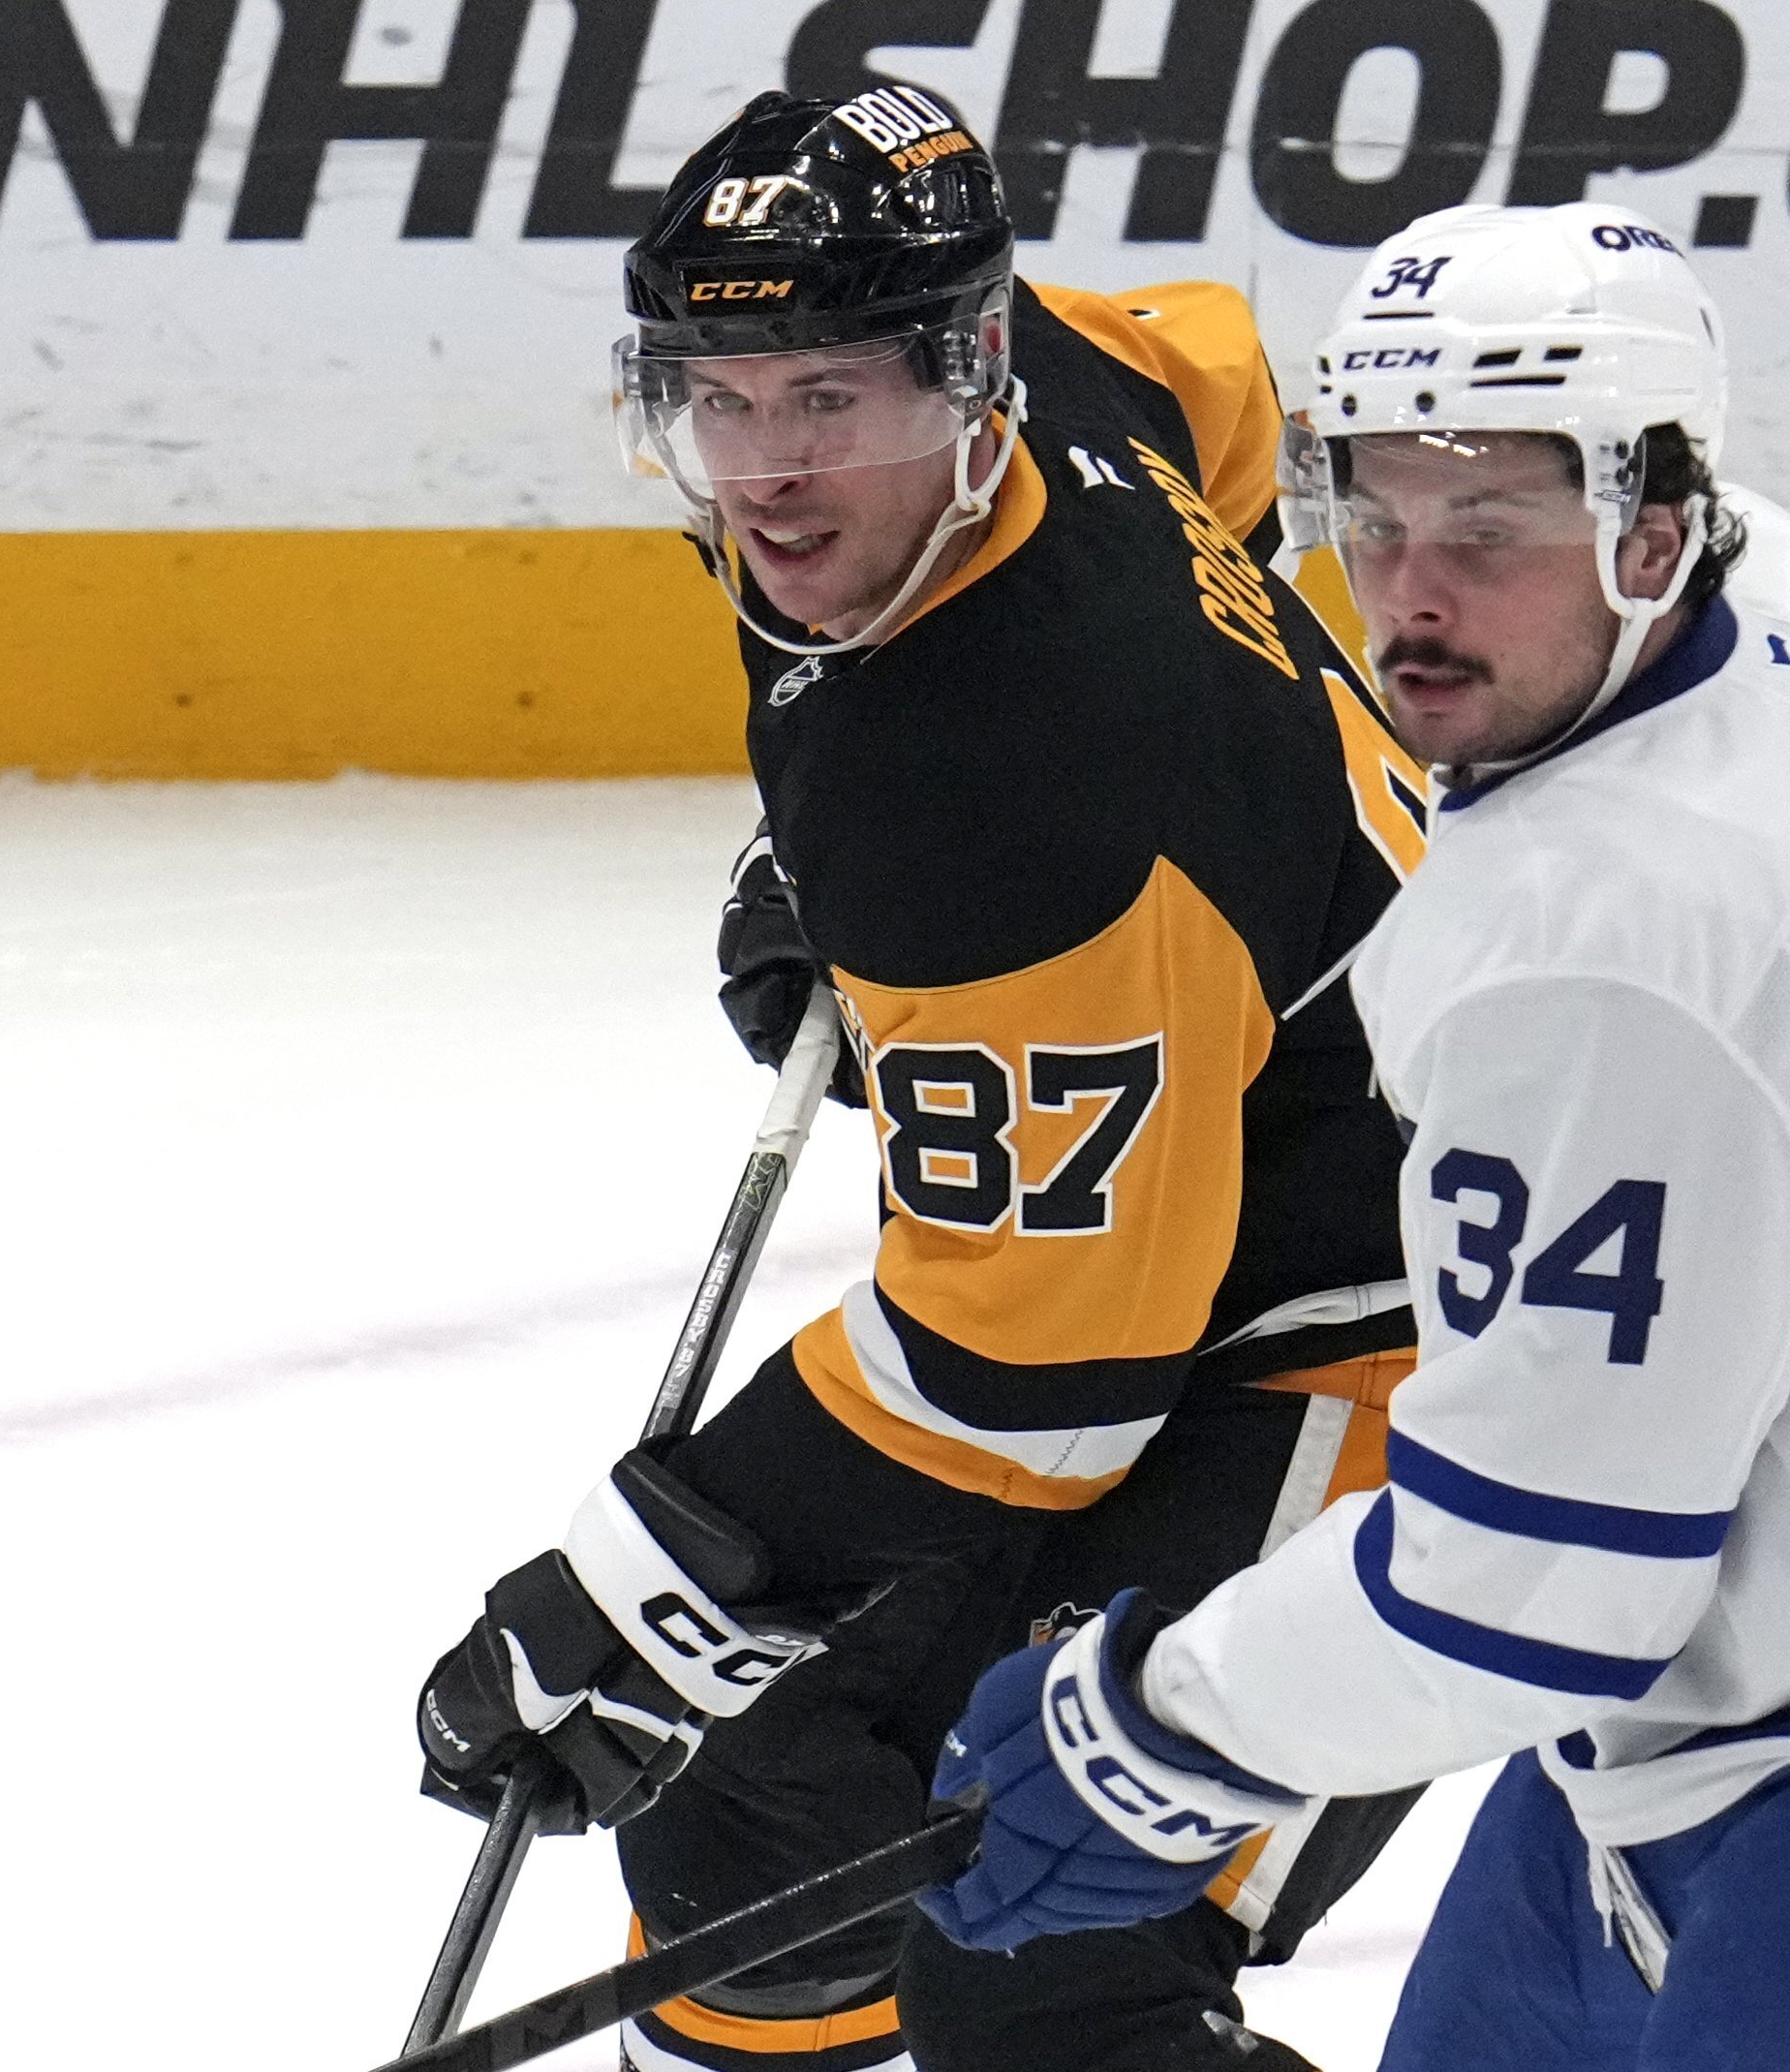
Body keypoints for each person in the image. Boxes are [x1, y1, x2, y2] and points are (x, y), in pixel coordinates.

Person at [919, 201, 1790, 2072]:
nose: (1411, 593)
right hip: (1704, 1677)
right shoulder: (1778, 598)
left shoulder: (1616, 960)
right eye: (1378, 514)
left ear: (1650, 519)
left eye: (1488, 529)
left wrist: (1157, 1727)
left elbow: (1522, 1584)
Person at [408, 90, 1435, 2072]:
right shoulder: (1030, 383)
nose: (777, 477)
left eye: (833, 406)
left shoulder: (1016, 806)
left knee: (1052, 1938)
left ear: (965, 379)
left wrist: (645, 1580)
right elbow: (1217, 381)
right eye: (724, 398)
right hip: (1206, 1200)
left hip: (1423, 1330)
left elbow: (1028, 1376)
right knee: (750, 1811)